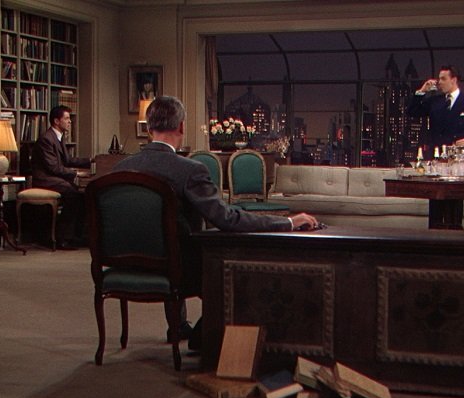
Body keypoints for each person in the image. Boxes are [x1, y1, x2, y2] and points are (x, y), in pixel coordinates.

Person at [112, 96, 320, 347]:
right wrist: (287, 223)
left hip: (125, 262)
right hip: (177, 266)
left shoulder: (120, 169)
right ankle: (204, 336)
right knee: (229, 271)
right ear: (181, 127)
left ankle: (178, 327)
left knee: (176, 239)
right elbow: (226, 218)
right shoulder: (189, 170)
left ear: (149, 128)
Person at [31, 105, 91, 250]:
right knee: (73, 194)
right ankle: (63, 238)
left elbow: (68, 160)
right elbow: (53, 167)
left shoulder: (58, 137)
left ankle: (76, 236)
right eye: (67, 118)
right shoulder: (46, 139)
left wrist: (90, 161)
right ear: (56, 121)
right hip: (45, 179)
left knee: (82, 194)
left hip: (54, 178)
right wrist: (76, 174)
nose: (70, 121)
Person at [407, 65, 464, 155]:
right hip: (437, 155)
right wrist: (422, 91)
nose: (440, 82)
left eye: (443, 79)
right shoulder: (434, 101)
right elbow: (412, 111)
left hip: (459, 155)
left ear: (453, 80)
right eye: (439, 79)